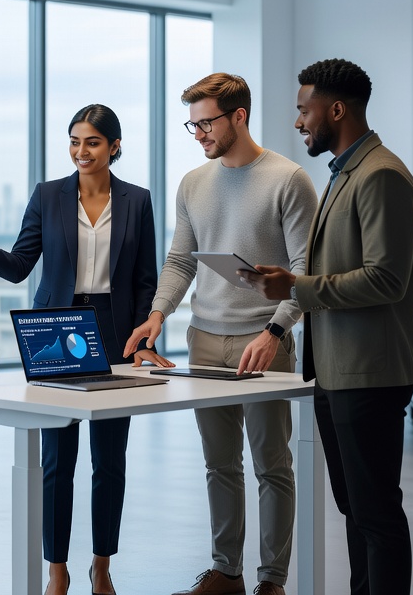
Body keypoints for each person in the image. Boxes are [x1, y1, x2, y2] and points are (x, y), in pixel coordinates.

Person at [0, 104, 173, 595]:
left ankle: (101, 565)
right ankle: (56, 571)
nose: (81, 152)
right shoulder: (47, 196)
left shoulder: (138, 201)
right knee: (58, 458)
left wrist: (146, 338)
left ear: (115, 147)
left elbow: (146, 279)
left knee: (109, 459)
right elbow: (21, 265)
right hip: (56, 329)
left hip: (114, 332)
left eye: (93, 143)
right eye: (74, 141)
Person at [124, 73, 317, 595]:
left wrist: (276, 330)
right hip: (205, 340)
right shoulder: (193, 182)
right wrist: (158, 314)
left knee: (272, 465)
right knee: (219, 464)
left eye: (206, 122)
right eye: (193, 124)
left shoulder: (289, 179)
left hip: (264, 341)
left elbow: (305, 269)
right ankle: (226, 572)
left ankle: (272, 581)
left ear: (239, 116)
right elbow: (181, 260)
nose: (199, 134)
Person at [243, 58, 413, 595]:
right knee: (355, 509)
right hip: (339, 369)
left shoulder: (380, 175)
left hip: (370, 371)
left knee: (375, 512)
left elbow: (386, 279)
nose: (298, 122)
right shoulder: (345, 172)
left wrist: (297, 288)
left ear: (336, 109)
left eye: (304, 110)